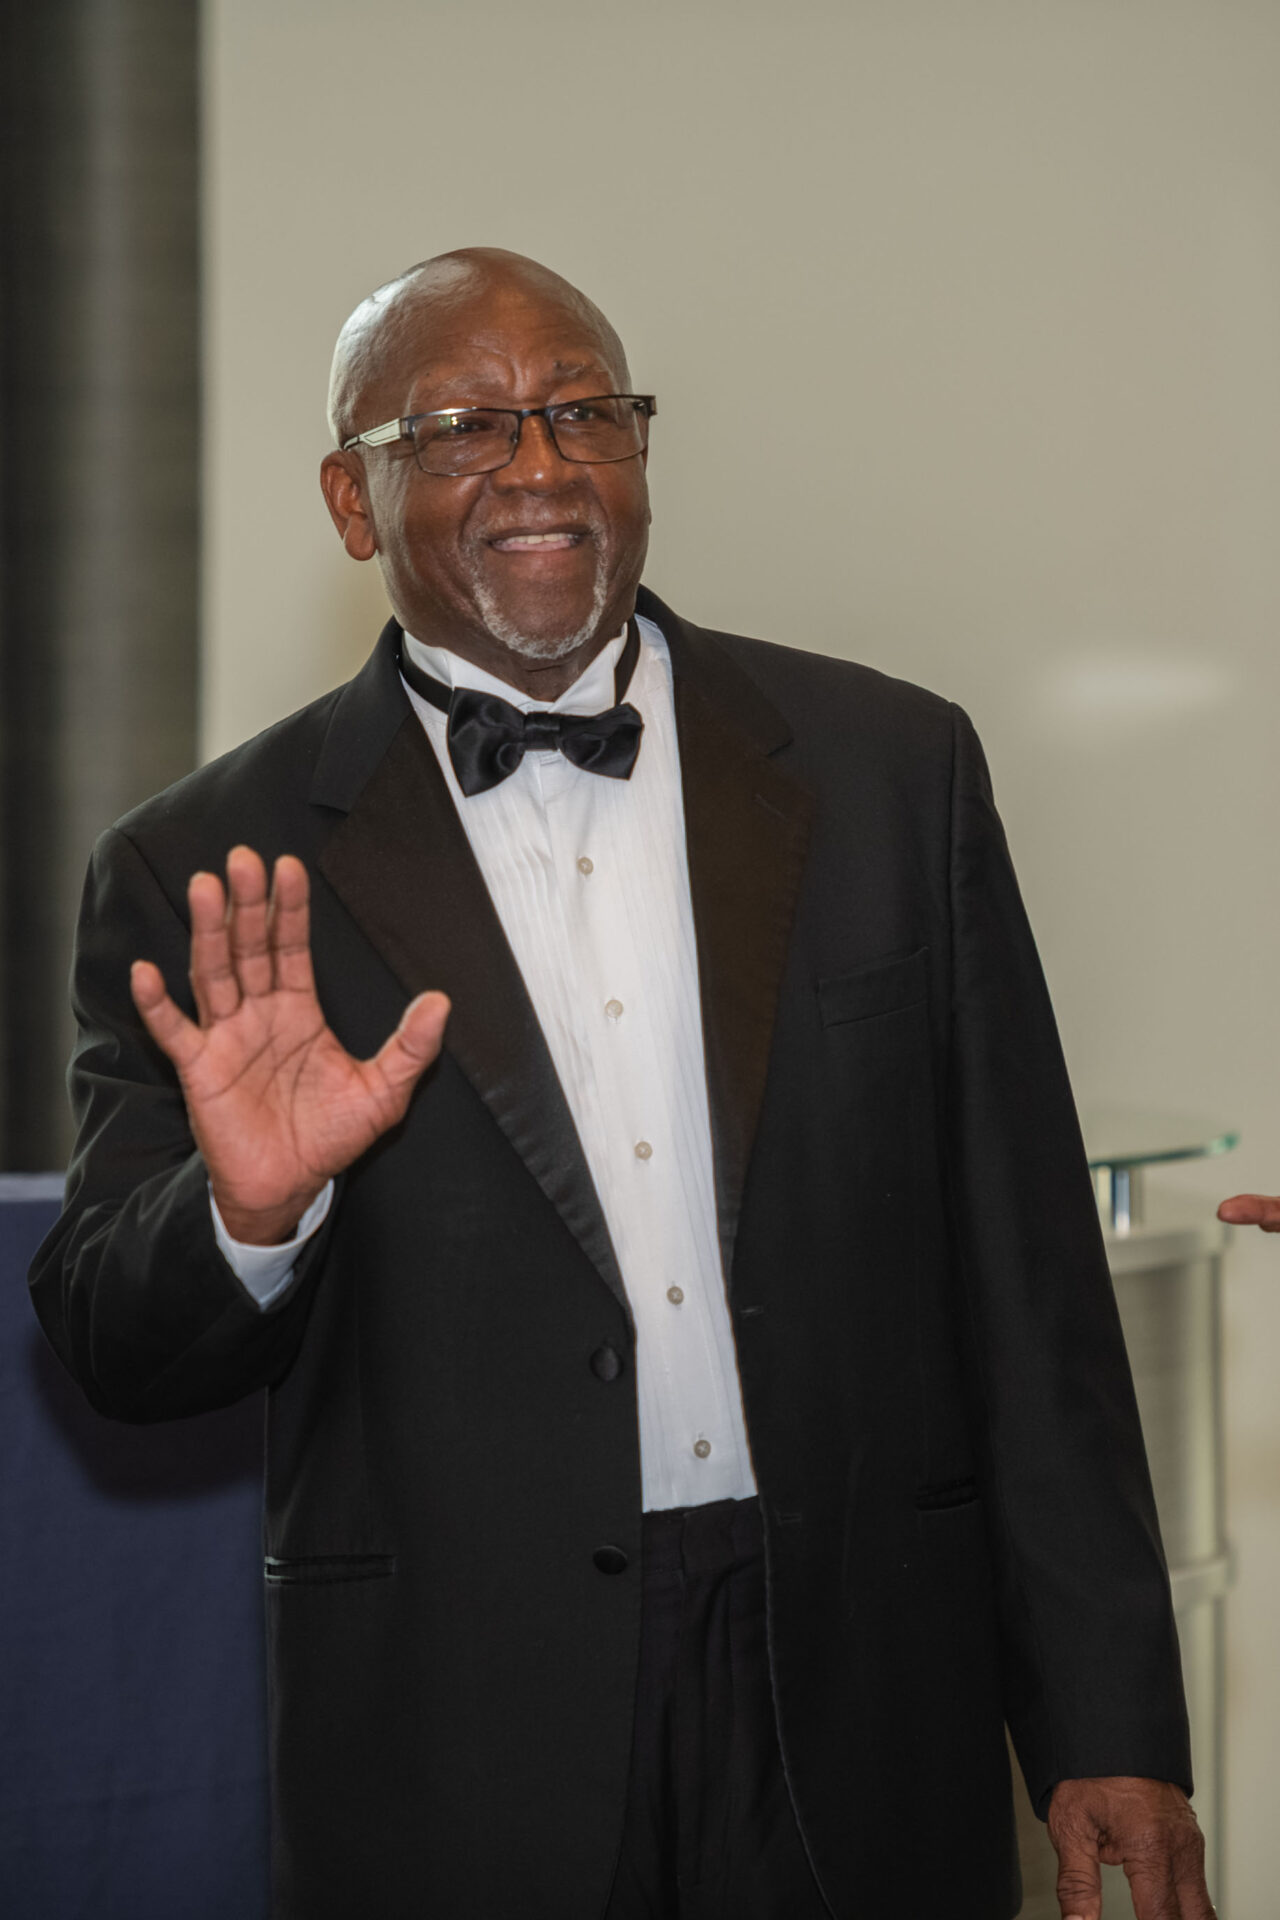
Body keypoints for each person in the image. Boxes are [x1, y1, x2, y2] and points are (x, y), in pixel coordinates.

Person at [30, 249, 1214, 1920]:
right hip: (456, 1734)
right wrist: (250, 1213)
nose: (539, 465)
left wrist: (1109, 1721)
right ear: (353, 502)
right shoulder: (202, 863)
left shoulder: (892, 772)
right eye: (461, 428)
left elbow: (1032, 1290)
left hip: (862, 1690)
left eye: (584, 412)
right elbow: (110, 1337)